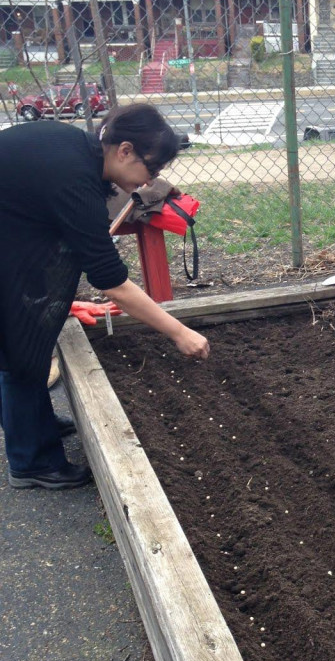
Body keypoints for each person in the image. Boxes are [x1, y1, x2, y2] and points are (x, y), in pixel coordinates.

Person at [0, 103, 210, 491]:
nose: (151, 182)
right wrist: (180, 332)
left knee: (21, 327)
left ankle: (33, 422)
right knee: (16, 342)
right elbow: (112, 281)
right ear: (125, 150)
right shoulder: (75, 179)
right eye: (153, 169)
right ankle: (30, 461)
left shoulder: (78, 151)